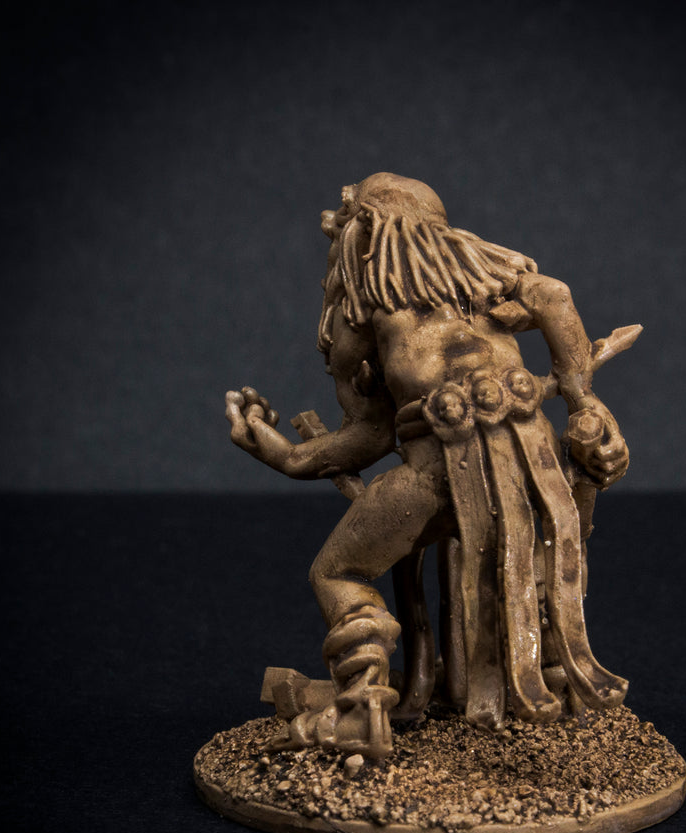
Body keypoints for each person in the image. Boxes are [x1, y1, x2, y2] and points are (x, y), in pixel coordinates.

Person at [226, 173, 630, 757]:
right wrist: (580, 398)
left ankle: (363, 704)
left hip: (434, 475)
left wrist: (284, 455)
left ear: (360, 236)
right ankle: (545, 672)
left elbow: (368, 435)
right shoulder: (488, 280)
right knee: (541, 545)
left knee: (338, 572)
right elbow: (555, 295)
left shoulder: (359, 317)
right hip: (531, 457)